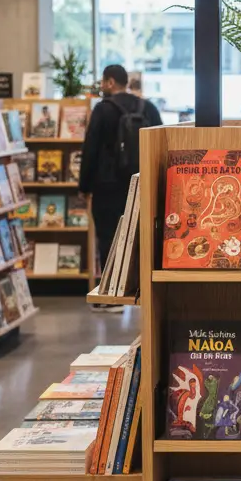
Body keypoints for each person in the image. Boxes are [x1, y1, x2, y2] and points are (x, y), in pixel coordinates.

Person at [79, 64, 162, 308]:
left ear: (111, 82)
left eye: (104, 81)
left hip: (107, 185)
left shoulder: (102, 110)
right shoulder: (148, 107)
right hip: (142, 183)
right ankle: (144, 291)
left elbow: (90, 150)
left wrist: (84, 186)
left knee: (107, 237)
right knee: (145, 235)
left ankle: (111, 296)